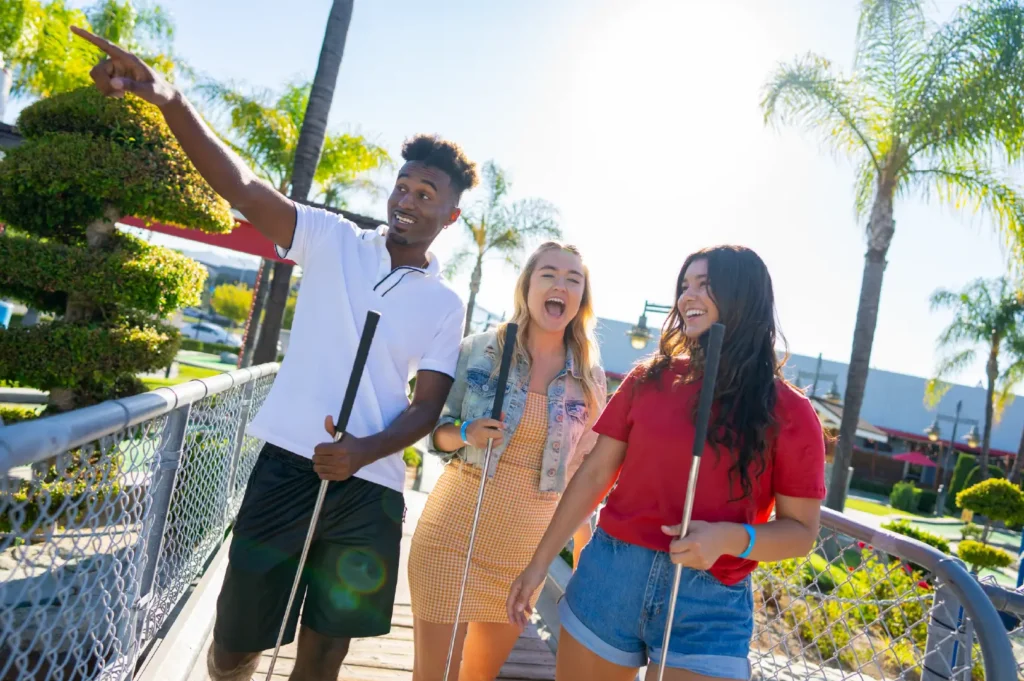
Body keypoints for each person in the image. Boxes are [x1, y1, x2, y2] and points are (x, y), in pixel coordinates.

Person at [72, 27, 479, 681]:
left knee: (324, 652)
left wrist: (360, 452)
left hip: (368, 490)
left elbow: (425, 407)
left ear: (451, 215)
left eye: (426, 194)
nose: (407, 200)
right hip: (286, 468)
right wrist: (170, 100)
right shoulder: (331, 238)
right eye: (402, 186)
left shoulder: (445, 303)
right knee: (235, 644)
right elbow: (242, 187)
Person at [507, 245, 827, 681]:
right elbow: (595, 474)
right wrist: (540, 561)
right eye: (684, 286)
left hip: (709, 603)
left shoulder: (791, 412)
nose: (687, 297)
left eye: (705, 285)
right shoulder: (649, 378)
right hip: (611, 578)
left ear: (744, 296)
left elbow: (801, 533)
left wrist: (729, 538)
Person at [409, 242, 607, 681]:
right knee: (432, 675)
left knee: (478, 676)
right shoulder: (481, 349)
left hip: (524, 553)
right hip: (453, 531)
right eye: (549, 274)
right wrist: (465, 432)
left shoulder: (589, 378)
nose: (560, 285)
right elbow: (431, 427)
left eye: (573, 279)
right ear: (528, 286)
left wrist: (583, 541)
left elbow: (583, 470)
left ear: (582, 298)